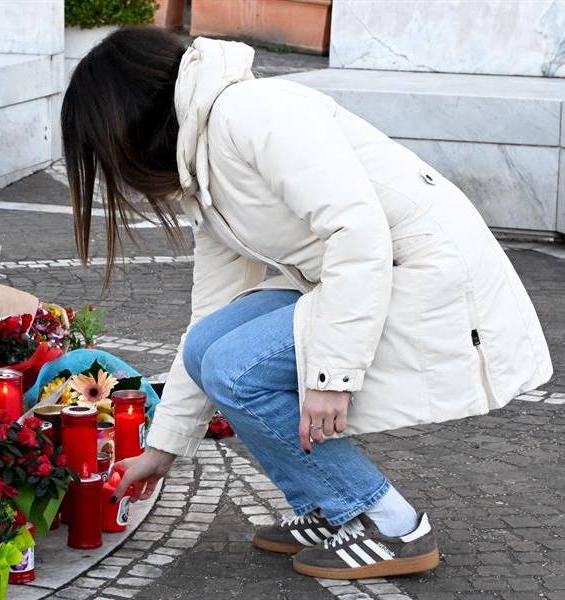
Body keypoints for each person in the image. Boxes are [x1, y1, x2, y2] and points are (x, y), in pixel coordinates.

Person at [60, 28, 552, 580]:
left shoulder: (249, 113)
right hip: (366, 278)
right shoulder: (204, 166)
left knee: (236, 367)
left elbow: (357, 229)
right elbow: (208, 319)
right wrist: (163, 449)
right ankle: (329, 509)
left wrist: (330, 375)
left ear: (128, 122)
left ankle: (388, 523)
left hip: (425, 278)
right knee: (209, 347)